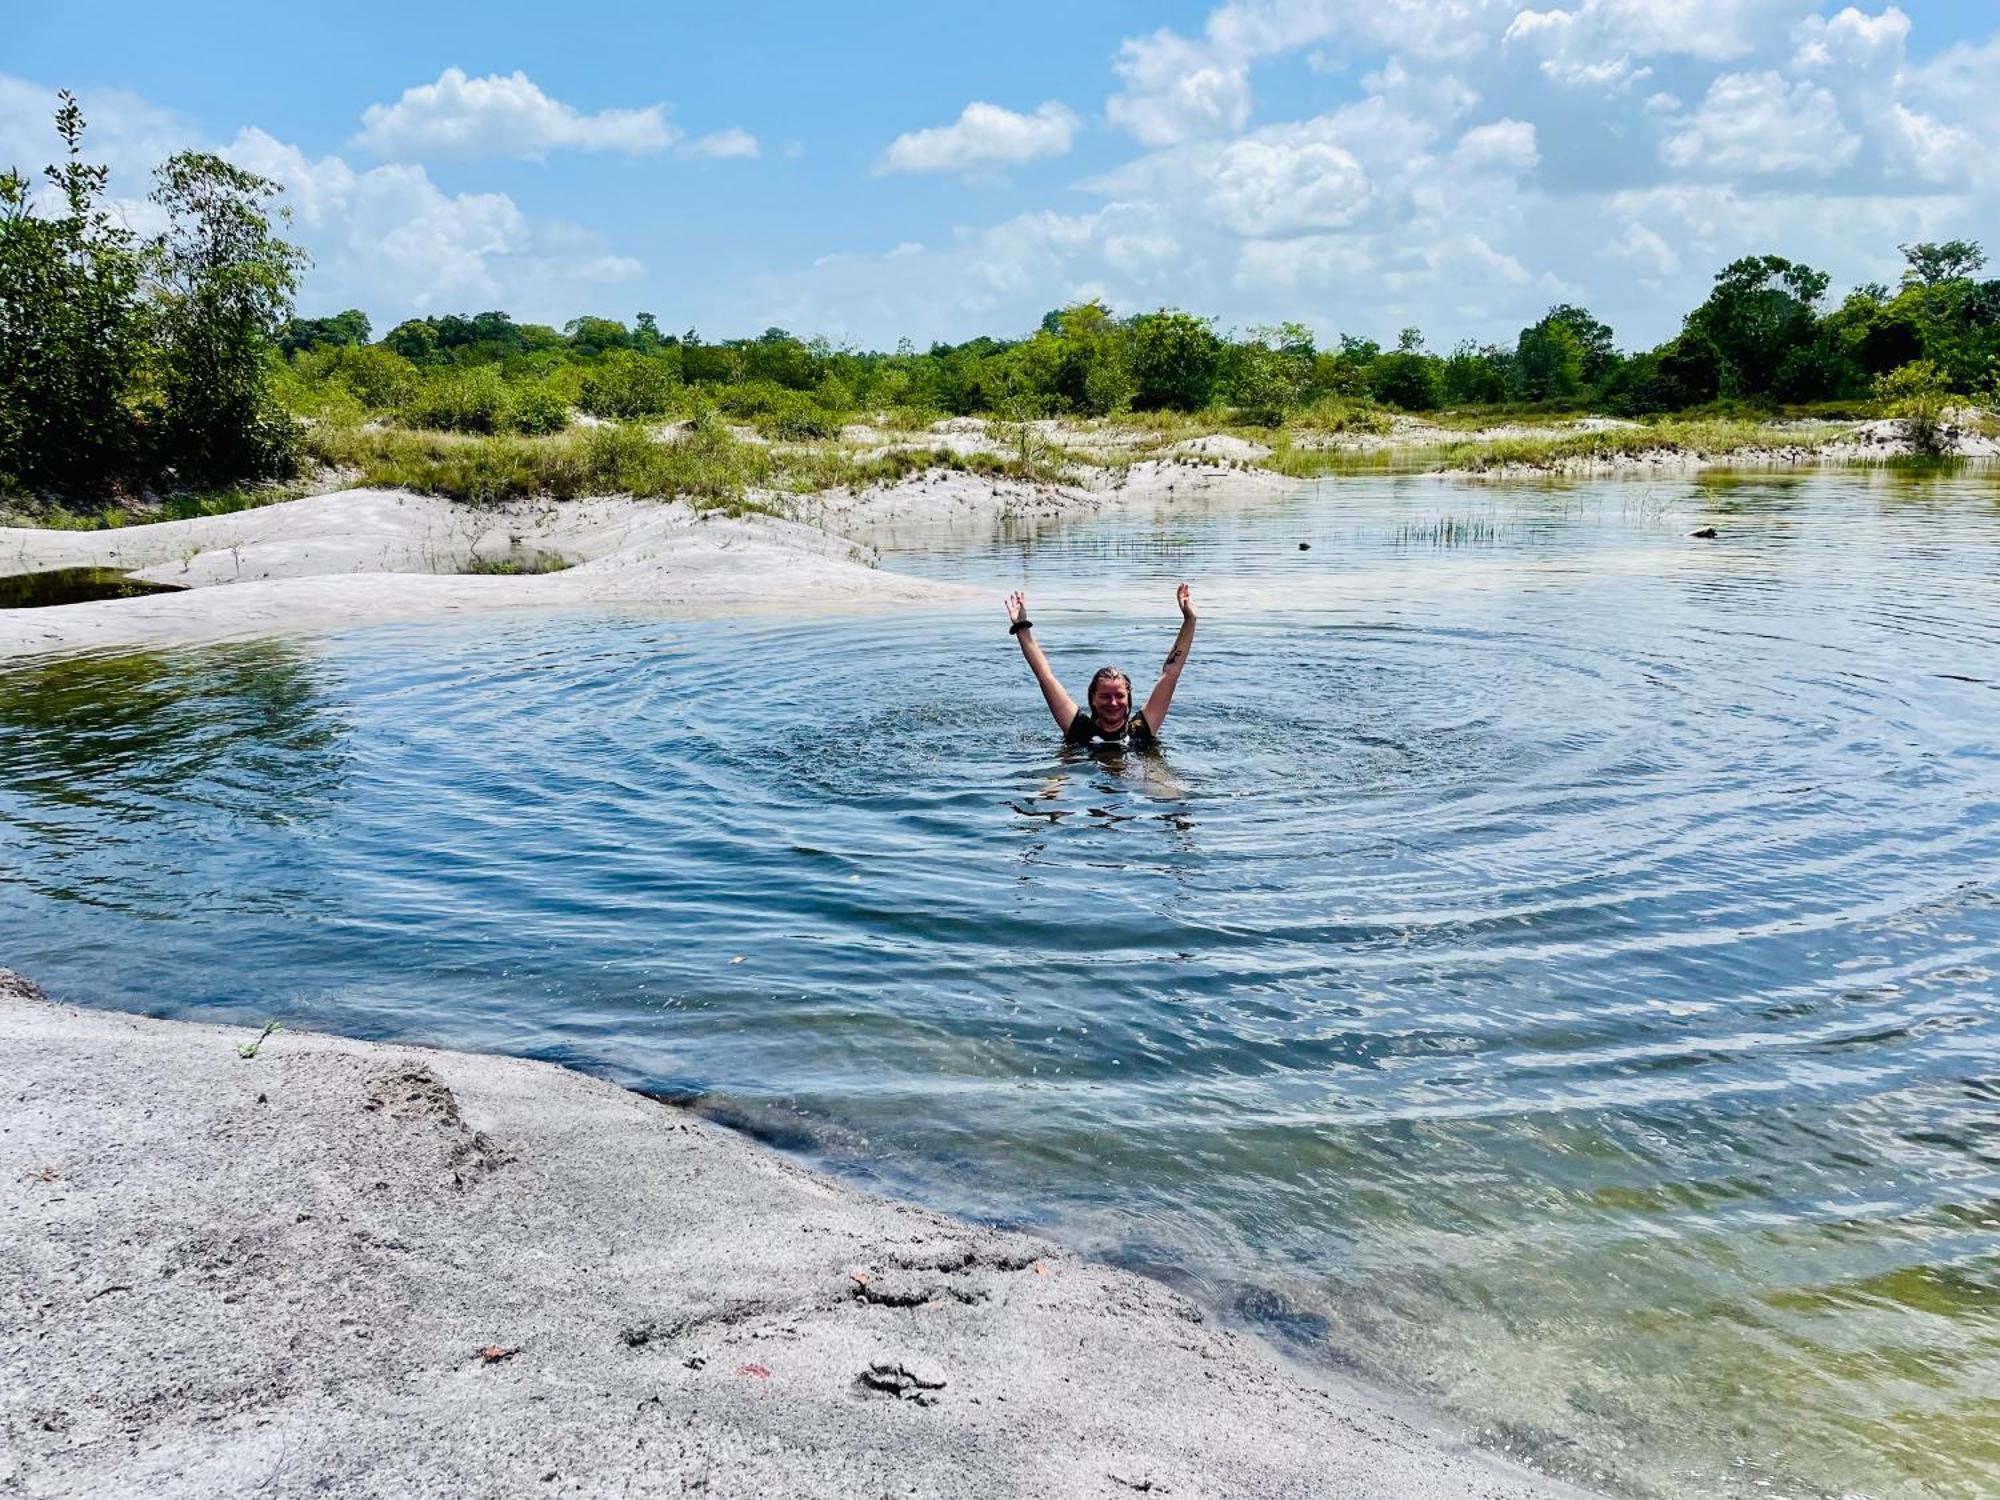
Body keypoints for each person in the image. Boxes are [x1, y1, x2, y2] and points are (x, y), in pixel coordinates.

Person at [1004, 584, 1197, 748]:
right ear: (1093, 699)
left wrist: (1190, 620)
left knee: (1168, 791)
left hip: (1134, 781)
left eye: (1119, 696)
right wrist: (1022, 628)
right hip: (1082, 780)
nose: (1113, 703)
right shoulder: (1079, 728)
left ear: (1128, 697)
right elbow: (1044, 676)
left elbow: (1171, 673)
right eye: (1105, 696)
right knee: (1051, 789)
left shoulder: (1140, 729)